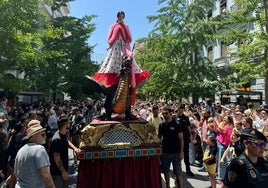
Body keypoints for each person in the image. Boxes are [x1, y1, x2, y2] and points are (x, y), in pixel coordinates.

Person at [92, 11, 150, 107]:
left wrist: (123, 32)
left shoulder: (126, 26)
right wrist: (116, 33)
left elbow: (129, 38)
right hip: (115, 47)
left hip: (124, 47)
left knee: (128, 62)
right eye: (120, 16)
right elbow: (109, 39)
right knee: (112, 65)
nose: (121, 18)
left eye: (123, 17)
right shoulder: (113, 26)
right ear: (117, 16)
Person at [14, 120, 55, 188]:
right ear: (34, 136)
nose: (45, 136)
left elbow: (16, 174)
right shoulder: (39, 149)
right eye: (42, 134)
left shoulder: (20, 150)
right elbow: (45, 176)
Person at [49, 114, 81, 188]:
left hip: (62, 171)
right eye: (68, 123)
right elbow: (57, 158)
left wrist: (74, 148)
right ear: (65, 124)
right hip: (57, 174)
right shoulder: (56, 139)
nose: (69, 124)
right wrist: (63, 172)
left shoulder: (62, 134)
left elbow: (66, 141)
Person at [158, 106, 184, 188]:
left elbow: (181, 139)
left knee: (178, 173)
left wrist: (181, 152)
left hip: (176, 153)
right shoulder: (161, 125)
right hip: (165, 152)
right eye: (163, 114)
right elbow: (159, 137)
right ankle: (168, 186)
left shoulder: (177, 124)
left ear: (171, 114)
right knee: (166, 171)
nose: (165, 115)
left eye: (166, 113)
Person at [175, 104, 194, 177]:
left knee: (186, 155)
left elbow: (188, 128)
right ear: (178, 109)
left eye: (183, 109)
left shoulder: (186, 118)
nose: (181, 110)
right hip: (177, 139)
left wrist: (190, 137)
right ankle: (177, 170)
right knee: (177, 155)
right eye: (180, 108)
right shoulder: (174, 117)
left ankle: (188, 170)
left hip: (185, 139)